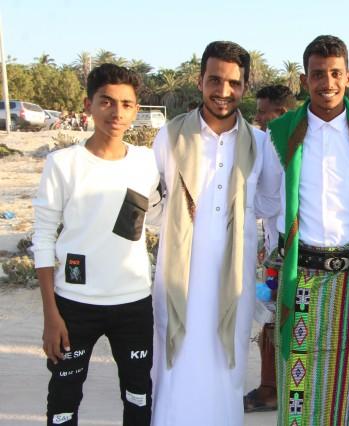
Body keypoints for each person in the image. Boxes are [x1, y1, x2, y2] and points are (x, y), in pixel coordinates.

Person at [267, 35, 349, 426]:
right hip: (300, 276)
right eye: (318, 74)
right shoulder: (279, 135)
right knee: (296, 386)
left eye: (336, 73)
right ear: (304, 80)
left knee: (344, 384)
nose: (328, 82)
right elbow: (267, 200)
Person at [150, 41, 280, 426]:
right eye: (214, 80)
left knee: (227, 366)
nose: (223, 91)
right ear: (200, 80)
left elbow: (270, 202)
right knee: (173, 365)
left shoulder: (260, 144)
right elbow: (152, 204)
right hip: (177, 277)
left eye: (234, 83)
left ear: (245, 86)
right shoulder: (170, 136)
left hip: (234, 280)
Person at [32, 63, 160, 426]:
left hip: (134, 303)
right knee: (63, 403)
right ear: (88, 105)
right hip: (75, 305)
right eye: (106, 101)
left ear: (136, 110)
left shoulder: (147, 162)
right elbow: (43, 237)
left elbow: (159, 215)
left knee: (138, 398)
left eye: (126, 104)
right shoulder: (63, 164)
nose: (116, 113)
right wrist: (51, 315)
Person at [244, 84, 296, 413]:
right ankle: (277, 387)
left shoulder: (279, 144)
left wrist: (246, 207)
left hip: (288, 250)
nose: (258, 118)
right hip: (279, 244)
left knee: (274, 319)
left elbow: (271, 201)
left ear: (282, 113)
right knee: (276, 319)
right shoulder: (278, 141)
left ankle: (271, 389)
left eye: (264, 112)